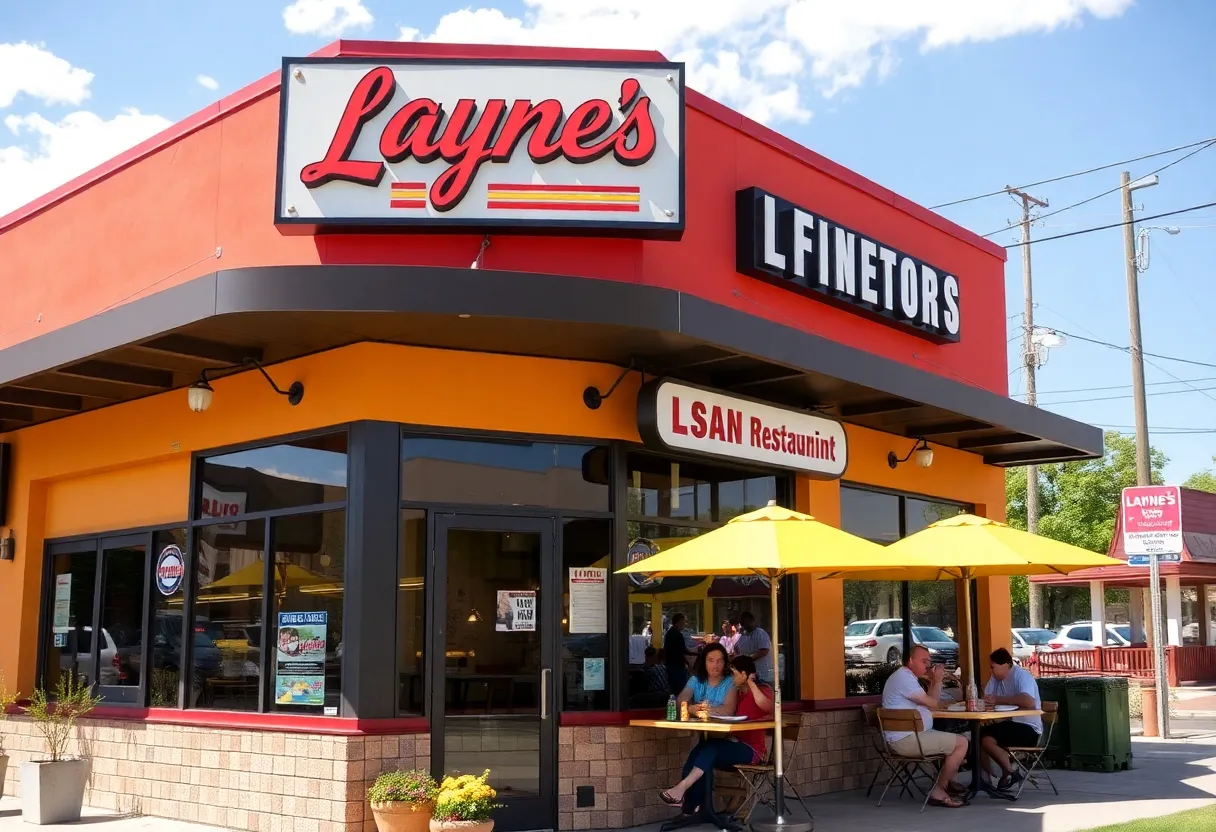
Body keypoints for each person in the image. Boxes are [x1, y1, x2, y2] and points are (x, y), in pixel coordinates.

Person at [659, 646, 754, 811]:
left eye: (719, 660)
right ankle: (691, 806)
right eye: (711, 660)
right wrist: (690, 708)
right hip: (712, 738)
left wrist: (703, 709)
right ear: (704, 661)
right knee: (699, 754)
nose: (715, 665)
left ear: (725, 662)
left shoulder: (730, 682)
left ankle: (689, 804)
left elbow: (728, 710)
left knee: (703, 752)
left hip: (730, 740)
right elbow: (681, 700)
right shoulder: (696, 680)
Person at [881, 645, 969, 809]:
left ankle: (950, 784)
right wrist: (938, 682)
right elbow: (933, 704)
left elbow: (931, 702)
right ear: (910, 661)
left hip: (911, 737)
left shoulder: (907, 677)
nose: (927, 666)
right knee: (962, 743)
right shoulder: (904, 678)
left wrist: (936, 681)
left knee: (955, 738)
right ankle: (939, 790)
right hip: (907, 740)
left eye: (929, 662)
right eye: (923, 661)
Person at [980, 647, 1043, 791]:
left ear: (1006, 664)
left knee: (984, 738)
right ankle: (987, 778)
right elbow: (988, 697)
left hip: (1028, 727)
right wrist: (989, 701)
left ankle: (1009, 771)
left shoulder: (1022, 676)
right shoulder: (995, 679)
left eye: (993, 667)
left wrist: (998, 700)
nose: (991, 671)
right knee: (978, 735)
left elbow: (1028, 701)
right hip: (1009, 723)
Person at [733, 611, 773, 683]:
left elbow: (764, 651)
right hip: (747, 675)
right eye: (742, 623)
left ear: (752, 621)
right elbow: (737, 649)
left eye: (746, 622)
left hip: (762, 675)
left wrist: (748, 660)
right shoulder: (743, 636)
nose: (744, 625)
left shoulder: (761, 633)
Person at [664, 613, 698, 696]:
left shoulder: (669, 633)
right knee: (679, 691)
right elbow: (681, 652)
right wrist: (691, 659)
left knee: (673, 690)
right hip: (677, 667)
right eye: (683, 621)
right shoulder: (677, 634)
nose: (685, 624)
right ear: (679, 622)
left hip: (670, 666)